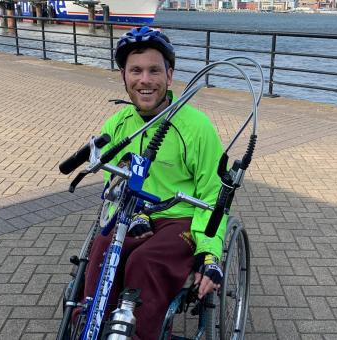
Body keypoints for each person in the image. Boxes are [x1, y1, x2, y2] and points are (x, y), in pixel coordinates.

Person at [81, 26, 228, 339]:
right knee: (103, 247)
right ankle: (90, 324)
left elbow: (213, 196)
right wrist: (132, 212)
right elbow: (114, 179)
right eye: (135, 70)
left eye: (153, 71)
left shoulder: (197, 128)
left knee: (144, 262)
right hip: (137, 214)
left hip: (182, 218)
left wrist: (210, 253)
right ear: (124, 76)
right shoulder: (118, 124)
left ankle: (141, 334)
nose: (144, 80)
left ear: (170, 76)